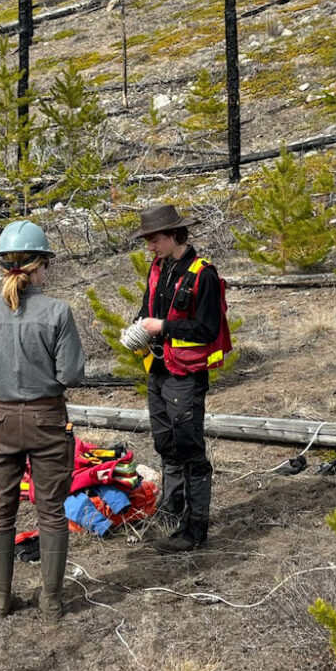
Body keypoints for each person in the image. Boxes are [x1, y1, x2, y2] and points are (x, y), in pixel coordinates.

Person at [0, 220, 86, 619]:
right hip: (47, 419)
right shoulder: (58, 311)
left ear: (2, 265)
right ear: (40, 265)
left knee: (0, 509)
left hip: (1, 422)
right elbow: (71, 375)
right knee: (51, 510)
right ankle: (51, 599)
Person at [120, 203, 231, 554]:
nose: (149, 247)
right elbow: (147, 309)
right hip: (159, 369)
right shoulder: (158, 267)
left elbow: (207, 329)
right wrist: (140, 328)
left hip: (186, 374)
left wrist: (163, 327)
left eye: (153, 240)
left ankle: (194, 530)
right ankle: (171, 510)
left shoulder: (204, 274)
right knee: (166, 442)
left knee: (189, 448)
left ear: (173, 235)